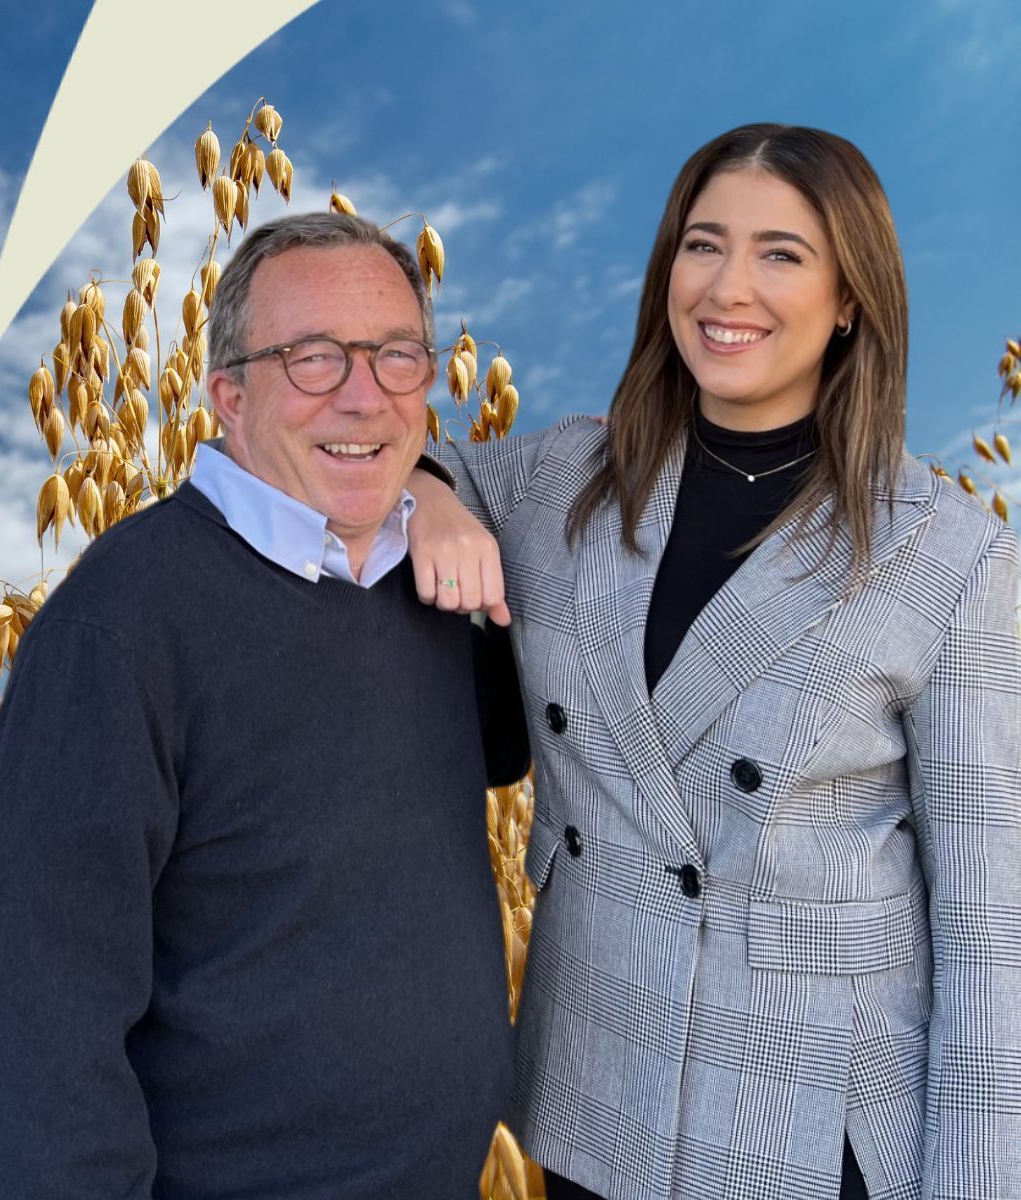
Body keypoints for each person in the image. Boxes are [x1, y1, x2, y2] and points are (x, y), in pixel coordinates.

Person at [405, 122, 1021, 1199]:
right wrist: (428, 497)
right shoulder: (564, 477)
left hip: (808, 1132)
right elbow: (392, 449)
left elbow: (991, 934)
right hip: (594, 1092)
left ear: (848, 300)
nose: (728, 287)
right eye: (703, 245)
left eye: (782, 253)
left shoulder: (949, 554)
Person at [0, 211, 530, 1199]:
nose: (363, 396)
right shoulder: (124, 617)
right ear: (227, 394)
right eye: (313, 360)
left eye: (397, 357)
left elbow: (503, 747)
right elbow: (40, 1011)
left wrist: (439, 494)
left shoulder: (435, 589)